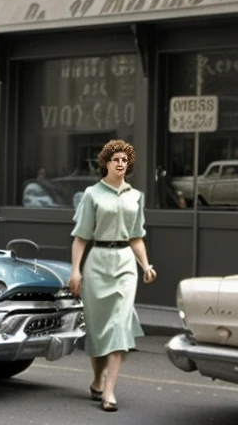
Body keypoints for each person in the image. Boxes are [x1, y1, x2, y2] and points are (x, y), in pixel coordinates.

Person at [68, 139, 157, 413]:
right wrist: (76, 272)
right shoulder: (92, 194)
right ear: (105, 163)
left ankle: (109, 391)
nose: (121, 164)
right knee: (98, 330)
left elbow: (136, 237)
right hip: (97, 264)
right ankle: (97, 380)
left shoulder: (135, 196)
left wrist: (146, 265)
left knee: (119, 327)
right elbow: (81, 237)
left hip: (125, 266)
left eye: (124, 160)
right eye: (115, 159)